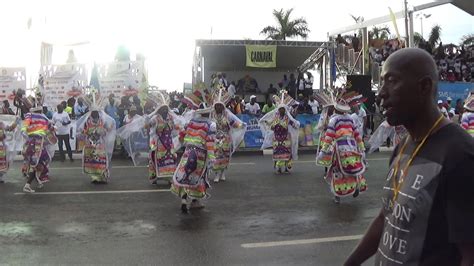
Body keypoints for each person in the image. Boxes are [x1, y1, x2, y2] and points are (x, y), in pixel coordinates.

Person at [344, 48, 474, 265]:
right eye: (382, 82)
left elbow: (469, 255)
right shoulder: (404, 146)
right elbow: (387, 217)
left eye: (391, 81)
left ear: (424, 87)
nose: (381, 93)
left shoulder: (459, 155)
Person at [172, 88, 216, 213]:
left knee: (185, 174)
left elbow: (181, 137)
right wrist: (212, 158)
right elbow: (210, 142)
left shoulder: (190, 122)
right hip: (201, 154)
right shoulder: (211, 125)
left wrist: (175, 147)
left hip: (188, 152)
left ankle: (184, 200)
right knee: (198, 177)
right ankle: (195, 201)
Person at [317, 95, 367, 204]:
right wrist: (362, 149)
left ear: (336, 109)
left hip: (339, 149)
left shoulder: (333, 120)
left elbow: (329, 137)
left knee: (337, 171)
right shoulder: (351, 119)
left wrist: (323, 151)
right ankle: (355, 186)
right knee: (352, 168)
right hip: (352, 147)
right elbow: (358, 135)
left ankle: (337, 195)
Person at [77, 94, 116, 184]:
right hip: (90, 144)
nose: (95, 115)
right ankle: (94, 177)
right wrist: (87, 132)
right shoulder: (87, 121)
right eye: (93, 113)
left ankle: (102, 176)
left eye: (96, 113)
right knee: (93, 161)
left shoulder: (102, 120)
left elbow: (106, 129)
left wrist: (109, 128)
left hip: (100, 144)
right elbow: (82, 131)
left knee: (101, 160)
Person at [210, 88, 246, 183]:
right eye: (217, 106)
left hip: (225, 139)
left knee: (225, 156)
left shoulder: (227, 115)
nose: (218, 107)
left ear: (223, 107)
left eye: (220, 106)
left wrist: (241, 125)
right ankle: (216, 174)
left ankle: (222, 173)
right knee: (216, 156)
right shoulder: (212, 115)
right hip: (215, 139)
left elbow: (233, 123)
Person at [259, 91, 300, 174]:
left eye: (283, 109)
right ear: (278, 110)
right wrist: (275, 125)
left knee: (286, 153)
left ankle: (285, 168)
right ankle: (278, 168)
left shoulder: (287, 118)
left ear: (285, 110)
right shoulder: (276, 118)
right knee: (278, 154)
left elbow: (293, 124)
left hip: (285, 138)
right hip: (277, 138)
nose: (282, 110)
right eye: (280, 109)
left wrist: (296, 125)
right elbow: (272, 127)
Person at [21, 105, 56, 193]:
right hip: (36, 144)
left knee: (39, 162)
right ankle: (28, 185)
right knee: (39, 162)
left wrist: (26, 133)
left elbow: (24, 128)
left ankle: (37, 179)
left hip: (32, 143)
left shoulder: (30, 115)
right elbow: (50, 128)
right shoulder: (42, 117)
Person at [0, 115, 19, 183]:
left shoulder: (2, 124)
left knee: (5, 161)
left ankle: (1, 176)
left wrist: (16, 121)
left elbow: (10, 128)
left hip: (2, 146)